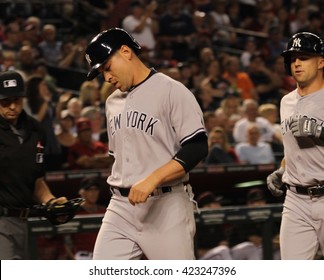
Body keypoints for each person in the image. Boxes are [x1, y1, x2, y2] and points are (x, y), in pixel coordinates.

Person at [84, 27, 208, 259]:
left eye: (107, 68)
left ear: (126, 52)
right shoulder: (112, 103)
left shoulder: (171, 90)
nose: (107, 78)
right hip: (120, 207)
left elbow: (197, 146)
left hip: (165, 204)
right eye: (101, 73)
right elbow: (118, 158)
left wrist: (152, 179)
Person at [266, 32, 324, 260]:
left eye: (304, 57)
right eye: (292, 58)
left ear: (321, 62)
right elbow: (293, 149)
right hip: (296, 201)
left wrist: (321, 131)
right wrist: (283, 170)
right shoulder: (286, 101)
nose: (297, 63)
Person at [0, 70, 67, 259]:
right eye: (5, 101)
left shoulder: (36, 129)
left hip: (25, 222)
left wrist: (51, 201)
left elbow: (37, 182)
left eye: (17, 100)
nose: (12, 106)